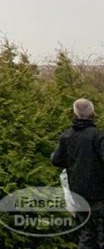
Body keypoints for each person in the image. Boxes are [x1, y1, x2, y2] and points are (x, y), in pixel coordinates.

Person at [52, 98, 104, 249]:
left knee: (86, 235)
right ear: (92, 114)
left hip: (78, 195)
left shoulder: (66, 136)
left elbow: (56, 160)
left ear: (75, 114)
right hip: (100, 195)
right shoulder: (97, 136)